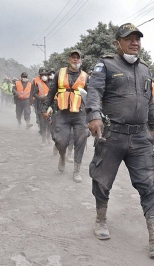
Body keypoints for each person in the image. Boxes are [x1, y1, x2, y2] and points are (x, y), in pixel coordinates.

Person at [85, 23, 154, 257]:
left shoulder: (145, 70)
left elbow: (149, 101)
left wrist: (152, 126)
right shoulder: (105, 65)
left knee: (149, 183)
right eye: (129, 39)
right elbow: (94, 92)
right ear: (117, 43)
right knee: (102, 179)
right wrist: (94, 116)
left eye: (138, 39)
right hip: (111, 134)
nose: (135, 42)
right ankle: (100, 219)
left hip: (140, 136)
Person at [42, 50, 89, 183]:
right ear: (69, 60)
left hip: (79, 114)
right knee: (60, 140)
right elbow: (52, 92)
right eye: (73, 58)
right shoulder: (60, 73)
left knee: (81, 140)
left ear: (81, 61)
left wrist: (92, 114)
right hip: (62, 113)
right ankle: (62, 155)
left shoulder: (85, 76)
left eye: (78, 58)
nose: (75, 60)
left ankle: (76, 170)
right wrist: (45, 108)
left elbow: (90, 96)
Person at [32, 68, 51, 146]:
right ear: (40, 76)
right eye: (42, 75)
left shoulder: (52, 83)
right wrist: (41, 98)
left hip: (50, 106)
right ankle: (43, 140)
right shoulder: (38, 84)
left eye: (45, 75)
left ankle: (48, 137)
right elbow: (34, 93)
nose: (44, 76)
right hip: (41, 105)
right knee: (42, 124)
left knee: (49, 123)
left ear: (47, 75)